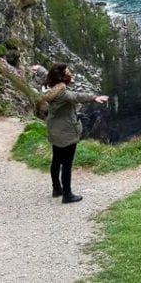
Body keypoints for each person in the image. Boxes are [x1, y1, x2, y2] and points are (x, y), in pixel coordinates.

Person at [41, 63, 109, 204]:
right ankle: (67, 194)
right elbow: (77, 96)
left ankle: (56, 189)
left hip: (55, 130)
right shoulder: (63, 94)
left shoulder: (50, 88)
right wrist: (94, 97)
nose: (70, 74)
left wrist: (39, 69)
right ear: (62, 77)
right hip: (66, 132)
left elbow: (46, 75)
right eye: (68, 72)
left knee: (56, 160)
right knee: (67, 164)